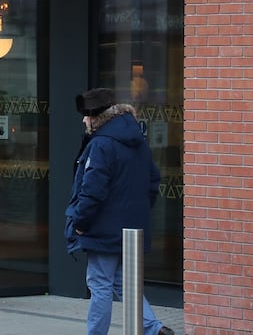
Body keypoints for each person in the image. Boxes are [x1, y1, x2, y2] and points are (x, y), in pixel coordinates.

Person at [64, 88, 174, 335]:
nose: (83, 120)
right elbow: (153, 180)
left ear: (96, 116)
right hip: (132, 229)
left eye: (86, 116)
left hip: (102, 228)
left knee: (99, 284)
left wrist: (81, 222)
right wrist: (137, 211)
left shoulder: (101, 144)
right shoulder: (137, 142)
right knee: (125, 283)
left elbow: (92, 190)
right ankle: (154, 329)